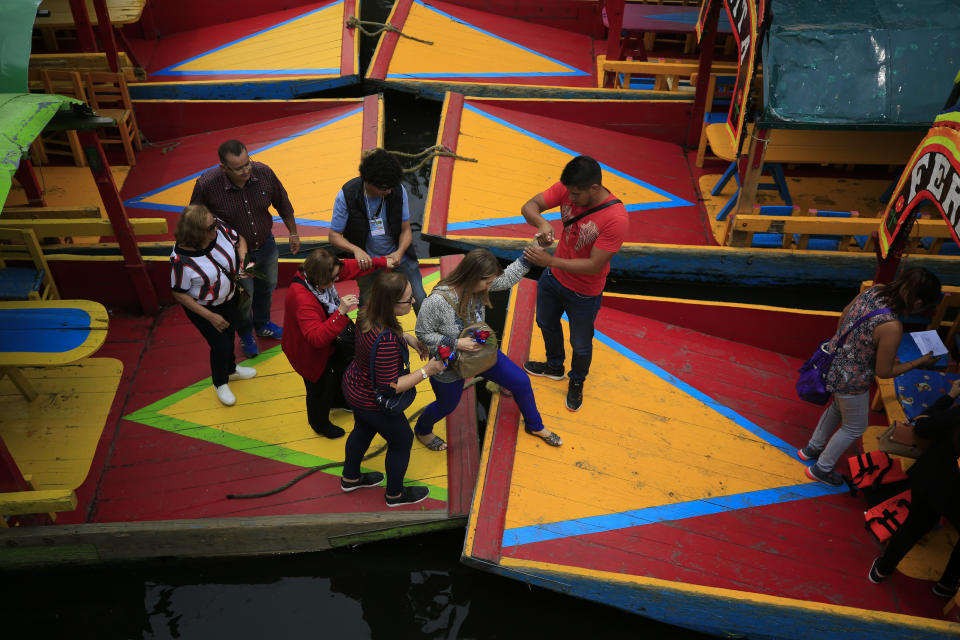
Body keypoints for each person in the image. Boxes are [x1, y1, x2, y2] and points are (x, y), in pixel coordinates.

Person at [798, 267, 942, 485]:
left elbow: (845, 314)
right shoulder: (892, 326)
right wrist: (920, 362)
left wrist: (848, 345)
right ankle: (821, 469)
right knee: (854, 426)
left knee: (837, 408)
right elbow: (884, 372)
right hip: (852, 379)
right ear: (919, 303)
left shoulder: (874, 290)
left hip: (834, 364)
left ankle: (811, 449)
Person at [415, 248, 562, 449]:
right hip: (448, 362)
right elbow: (423, 333)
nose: (491, 286)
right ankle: (422, 430)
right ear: (473, 277)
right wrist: (457, 343)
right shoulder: (436, 302)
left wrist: (530, 253)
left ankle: (534, 425)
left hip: (480, 351)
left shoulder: (480, 286)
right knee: (447, 405)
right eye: (488, 282)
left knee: (520, 381)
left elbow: (508, 277)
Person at [520, 155, 628, 412]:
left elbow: (594, 266)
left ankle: (577, 381)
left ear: (594, 188)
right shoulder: (569, 188)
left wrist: (550, 262)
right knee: (545, 322)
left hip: (584, 293)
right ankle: (554, 366)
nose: (571, 199)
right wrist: (542, 222)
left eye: (577, 194)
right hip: (552, 280)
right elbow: (530, 206)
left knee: (580, 343)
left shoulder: (616, 219)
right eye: (568, 192)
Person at [341, 271, 445, 506]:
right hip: (372, 400)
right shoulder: (386, 339)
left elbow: (389, 332)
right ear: (390, 303)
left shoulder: (368, 312)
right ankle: (395, 495)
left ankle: (350, 478)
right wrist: (428, 370)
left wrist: (408, 339)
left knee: (362, 430)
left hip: (355, 386)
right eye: (408, 300)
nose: (414, 302)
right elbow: (391, 387)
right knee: (402, 440)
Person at [190, 139, 300, 358]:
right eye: (238, 168)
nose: (246, 170)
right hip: (235, 255)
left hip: (266, 245)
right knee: (244, 296)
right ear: (223, 168)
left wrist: (293, 232)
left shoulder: (264, 173)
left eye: (247, 163)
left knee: (267, 286)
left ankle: (262, 323)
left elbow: (283, 202)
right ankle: (246, 333)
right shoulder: (207, 185)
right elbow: (194, 218)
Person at [281, 248, 396, 439]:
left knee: (341, 368)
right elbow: (316, 339)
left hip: (330, 342)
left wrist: (382, 262)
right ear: (320, 279)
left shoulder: (315, 275)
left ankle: (338, 400)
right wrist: (341, 312)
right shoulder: (302, 298)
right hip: (308, 352)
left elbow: (349, 268)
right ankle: (320, 424)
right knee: (318, 388)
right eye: (333, 279)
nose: (337, 280)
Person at [868, 377, 960, 599]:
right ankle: (947, 584)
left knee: (914, 526)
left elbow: (924, 427)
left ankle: (883, 568)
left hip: (934, 482)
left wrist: (949, 397)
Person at [170, 204, 257, 407]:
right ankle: (220, 381)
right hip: (205, 308)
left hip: (229, 297)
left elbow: (239, 240)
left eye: (214, 224)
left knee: (229, 334)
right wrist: (210, 316)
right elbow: (179, 293)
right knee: (219, 345)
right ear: (195, 233)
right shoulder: (181, 260)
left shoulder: (219, 231)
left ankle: (231, 369)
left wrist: (243, 260)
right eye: (210, 228)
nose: (216, 229)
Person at [328, 148, 426, 313]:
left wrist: (400, 252)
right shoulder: (347, 195)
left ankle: (428, 337)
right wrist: (356, 250)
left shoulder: (397, 190)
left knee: (420, 298)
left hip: (399, 258)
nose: (389, 191)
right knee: (368, 306)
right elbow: (334, 236)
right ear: (368, 182)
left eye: (391, 187)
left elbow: (406, 230)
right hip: (367, 263)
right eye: (384, 188)